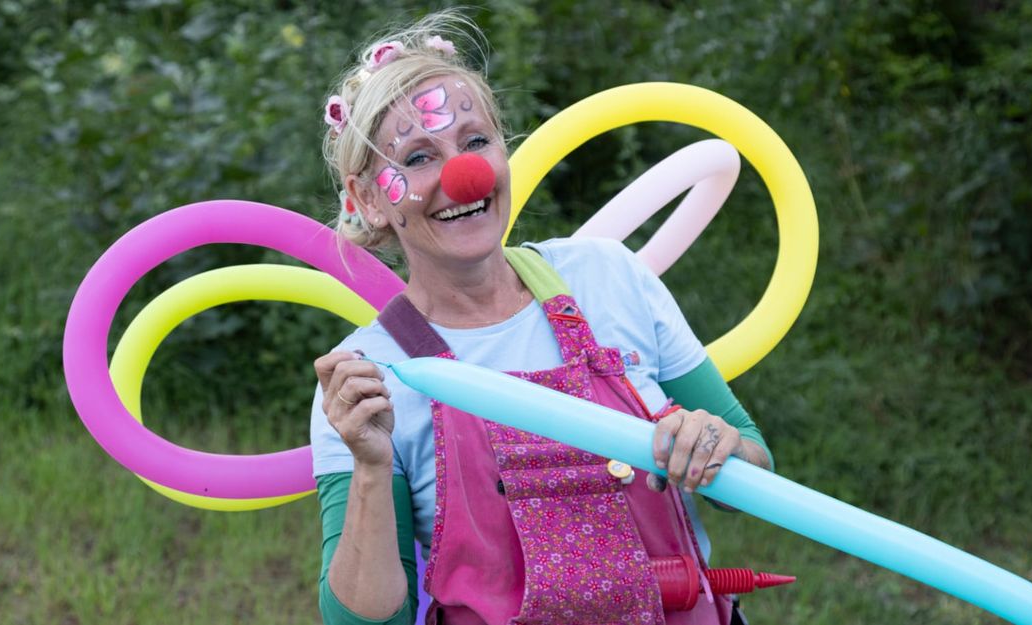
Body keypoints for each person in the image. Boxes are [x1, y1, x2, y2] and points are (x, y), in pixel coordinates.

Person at [309, 11, 773, 625]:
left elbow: (758, 465)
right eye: (419, 157)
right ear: (367, 198)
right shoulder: (368, 379)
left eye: (476, 142)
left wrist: (718, 444)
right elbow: (363, 624)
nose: (463, 174)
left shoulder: (610, 277)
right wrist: (370, 468)